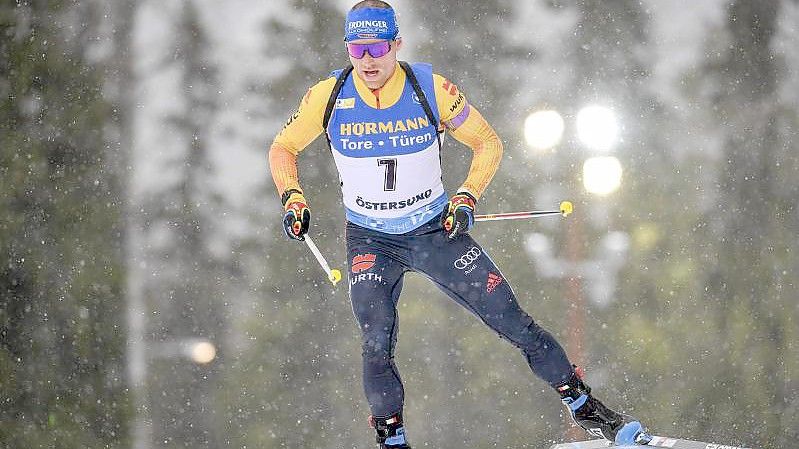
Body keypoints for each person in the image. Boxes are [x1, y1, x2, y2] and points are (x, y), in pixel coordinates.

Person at [268, 1, 650, 448]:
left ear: (396, 44)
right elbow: (282, 148)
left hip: (434, 231)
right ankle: (391, 439)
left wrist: (467, 195)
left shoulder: (430, 88)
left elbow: (487, 142)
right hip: (371, 237)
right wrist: (292, 196)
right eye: (357, 48)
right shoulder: (327, 96)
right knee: (375, 341)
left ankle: (587, 409)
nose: (367, 60)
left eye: (376, 47)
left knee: (511, 319)